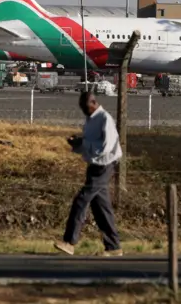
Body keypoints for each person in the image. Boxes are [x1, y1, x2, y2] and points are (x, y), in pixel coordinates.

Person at [54, 91, 123, 256]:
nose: (83, 111)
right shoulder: (91, 119)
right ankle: (114, 247)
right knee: (101, 207)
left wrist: (84, 143)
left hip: (105, 165)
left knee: (81, 199)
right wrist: (77, 143)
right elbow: (91, 142)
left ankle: (70, 241)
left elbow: (106, 146)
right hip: (95, 165)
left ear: (93, 103)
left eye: (85, 108)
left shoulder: (105, 119)